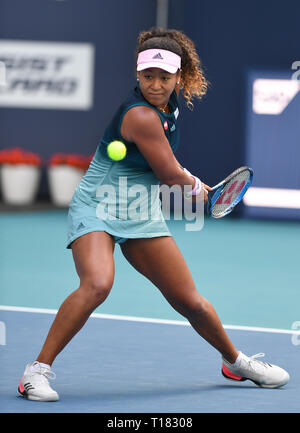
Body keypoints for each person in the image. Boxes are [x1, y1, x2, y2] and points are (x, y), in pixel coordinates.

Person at [18, 28, 289, 402]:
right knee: (97, 284)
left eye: (164, 77)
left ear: (179, 77)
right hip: (98, 203)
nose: (156, 85)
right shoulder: (140, 116)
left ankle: (236, 362)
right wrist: (201, 189)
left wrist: (194, 187)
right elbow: (169, 174)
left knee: (190, 301)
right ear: (138, 74)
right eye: (148, 77)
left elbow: (167, 172)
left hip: (138, 207)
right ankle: (36, 372)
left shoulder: (169, 106)